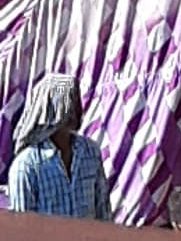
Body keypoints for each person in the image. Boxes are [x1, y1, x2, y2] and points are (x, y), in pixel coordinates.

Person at [6, 73, 112, 225]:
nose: (77, 109)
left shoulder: (90, 152)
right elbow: (23, 226)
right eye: (70, 101)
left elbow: (103, 210)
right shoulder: (27, 166)